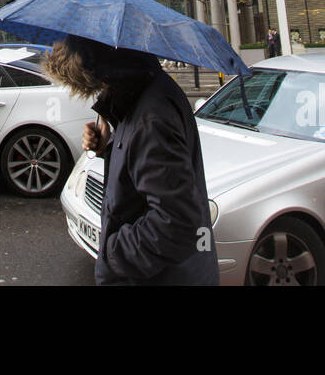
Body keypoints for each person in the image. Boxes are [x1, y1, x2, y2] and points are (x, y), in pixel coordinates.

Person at [44, 35, 218, 286]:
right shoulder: (142, 97)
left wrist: (113, 254)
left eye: (95, 82)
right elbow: (145, 174)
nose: (98, 89)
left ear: (103, 70)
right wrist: (109, 147)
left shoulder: (151, 117)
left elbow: (177, 222)